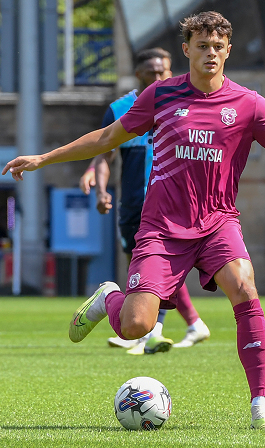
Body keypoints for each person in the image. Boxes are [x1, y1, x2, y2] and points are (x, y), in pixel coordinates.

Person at [3, 11, 265, 430]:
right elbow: (107, 137)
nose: (210, 53)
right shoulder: (160, 95)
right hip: (161, 227)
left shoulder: (250, 104)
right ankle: (107, 300)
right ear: (186, 50)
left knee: (244, 287)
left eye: (218, 47)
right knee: (136, 326)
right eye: (202, 46)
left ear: (229, 51)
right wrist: (44, 157)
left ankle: (261, 404)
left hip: (217, 223)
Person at [79, 47, 211, 355]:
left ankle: (150, 332)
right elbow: (105, 152)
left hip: (172, 205)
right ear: (138, 74)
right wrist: (100, 188)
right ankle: (191, 323)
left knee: (162, 266)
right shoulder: (120, 109)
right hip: (134, 204)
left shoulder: (183, 105)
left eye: (163, 71)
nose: (158, 76)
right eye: (151, 72)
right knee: (142, 269)